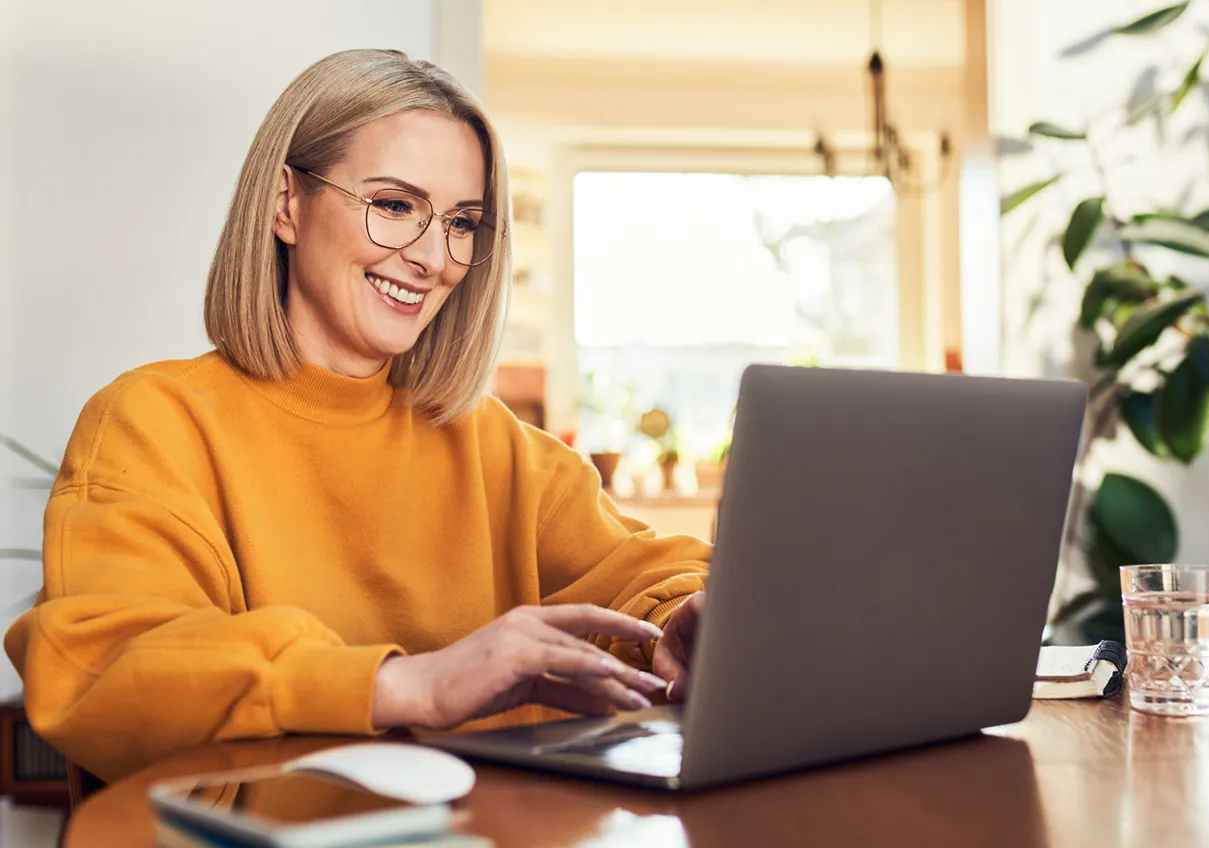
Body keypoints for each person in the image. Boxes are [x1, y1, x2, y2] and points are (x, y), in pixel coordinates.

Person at [3, 50, 709, 783]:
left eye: (462, 222)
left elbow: (647, 568)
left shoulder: (493, 443)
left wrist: (685, 615)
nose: (434, 257)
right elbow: (102, 666)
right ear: (287, 204)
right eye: (395, 205)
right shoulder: (152, 423)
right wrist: (408, 684)